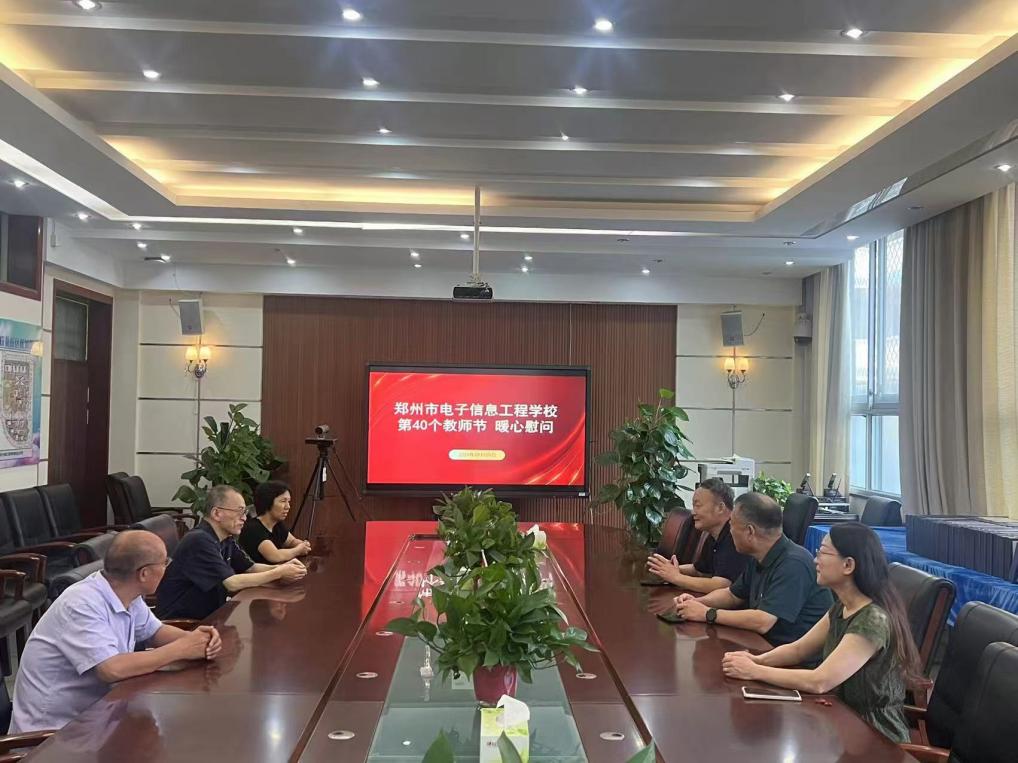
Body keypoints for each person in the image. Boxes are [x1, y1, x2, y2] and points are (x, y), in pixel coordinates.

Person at [721, 523, 920, 743]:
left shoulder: (872, 620)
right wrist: (756, 660)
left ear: (848, 565)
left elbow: (820, 681)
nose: (816, 560)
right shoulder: (842, 606)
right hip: (841, 719)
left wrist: (754, 671)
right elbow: (798, 650)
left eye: (823, 553)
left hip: (875, 736)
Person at [10, 531, 222, 733]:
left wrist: (198, 641)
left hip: (99, 718)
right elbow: (111, 669)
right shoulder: (81, 604)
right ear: (144, 573)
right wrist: (181, 649)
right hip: (54, 735)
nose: (167, 567)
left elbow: (154, 631)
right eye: (164, 562)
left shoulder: (125, 591)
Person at [674, 492, 833, 648]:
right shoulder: (758, 556)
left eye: (731, 525)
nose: (730, 531)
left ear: (750, 531)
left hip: (794, 658)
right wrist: (696, 603)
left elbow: (763, 621)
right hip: (765, 646)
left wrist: (707, 613)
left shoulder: (794, 563)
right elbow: (732, 595)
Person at [155, 485, 307, 620]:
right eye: (239, 511)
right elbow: (231, 583)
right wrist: (279, 572)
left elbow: (251, 568)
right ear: (217, 513)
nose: (244, 518)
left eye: (245, 512)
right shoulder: (199, 540)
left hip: (211, 615)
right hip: (183, 622)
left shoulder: (226, 538)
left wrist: (285, 567)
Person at [645, 478, 750, 593]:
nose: (693, 512)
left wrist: (676, 577)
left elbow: (722, 585)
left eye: (698, 506)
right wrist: (666, 569)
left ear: (720, 508)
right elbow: (699, 570)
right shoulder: (714, 536)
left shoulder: (735, 535)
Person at [239, 481, 312, 564]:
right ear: (268, 502)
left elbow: (291, 541)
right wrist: (299, 549)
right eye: (283, 501)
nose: (288, 506)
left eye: (288, 501)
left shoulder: (277, 524)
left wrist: (303, 545)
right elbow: (275, 556)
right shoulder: (253, 528)